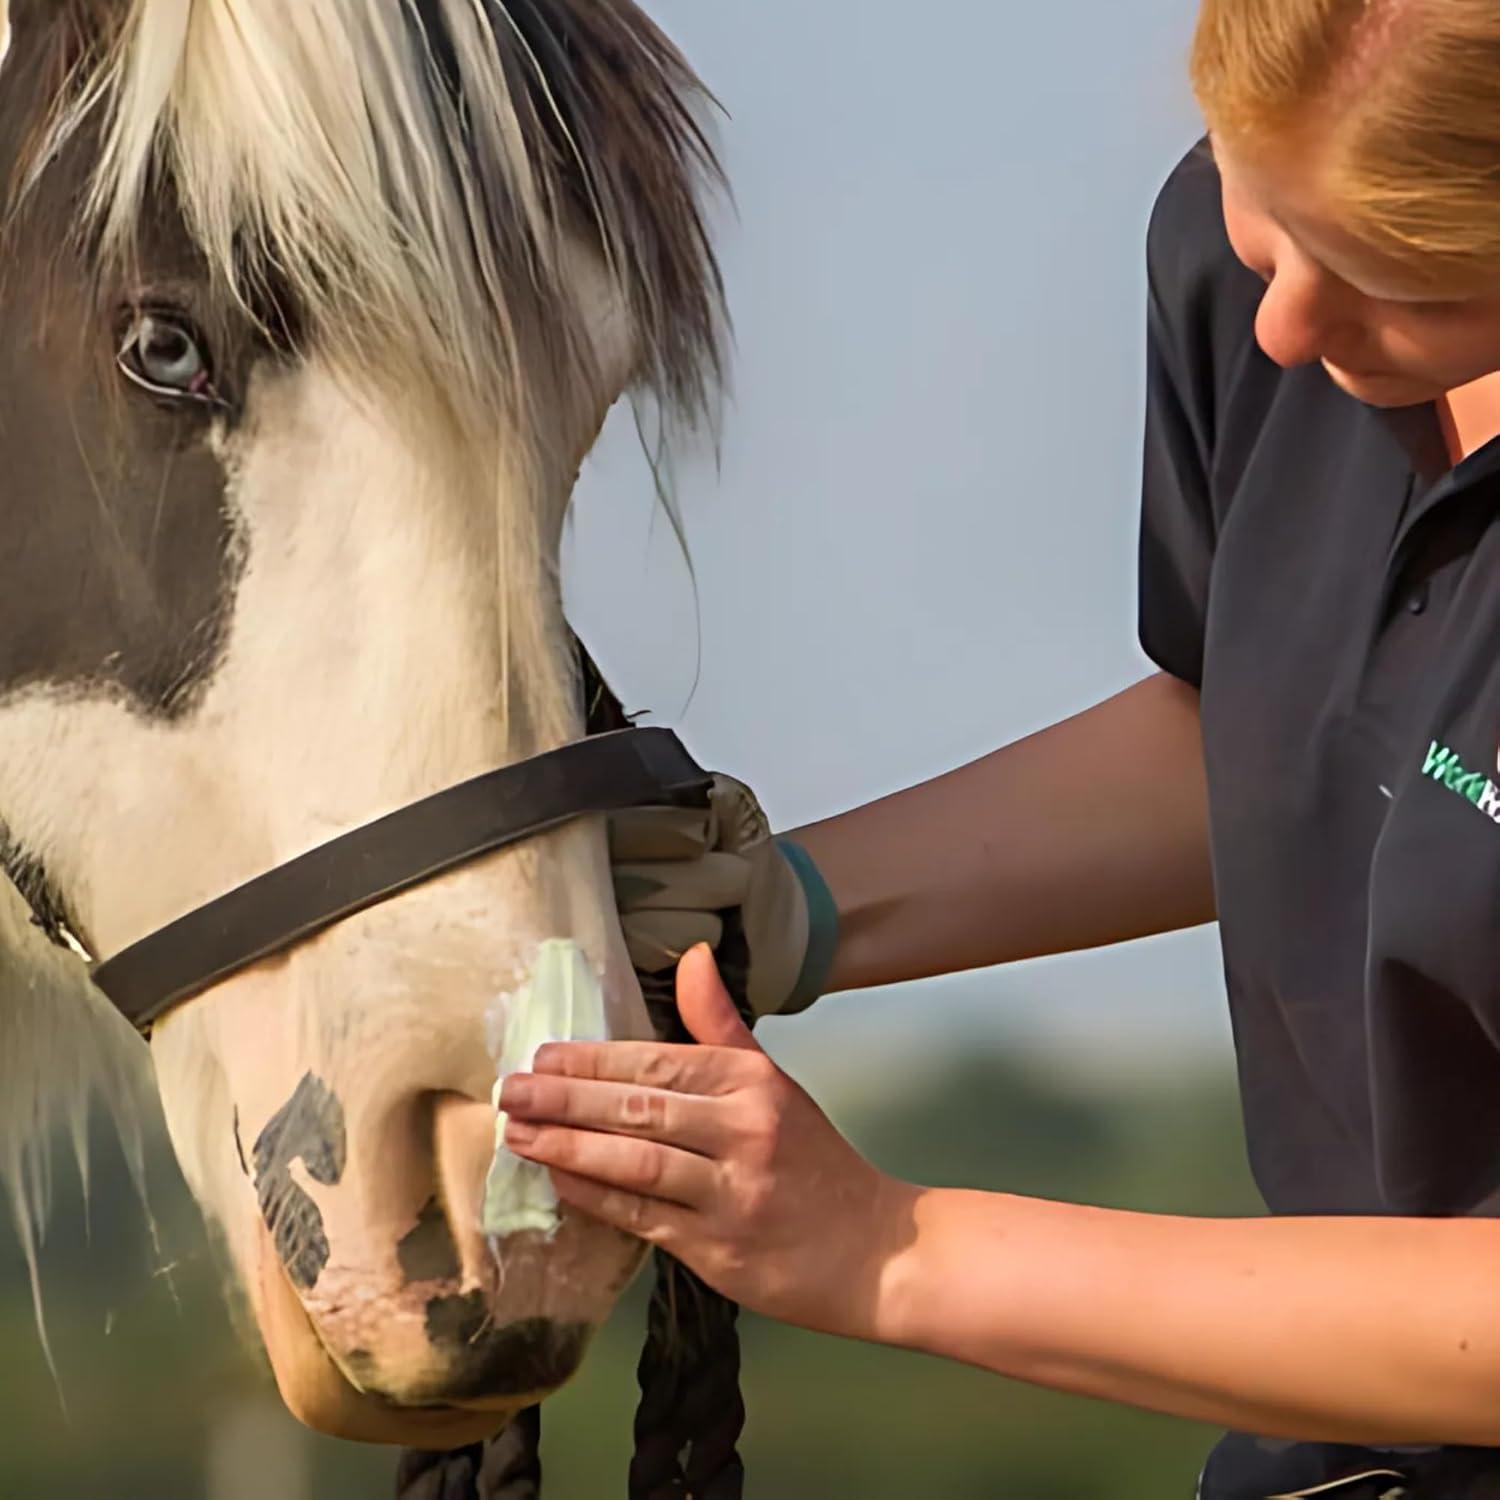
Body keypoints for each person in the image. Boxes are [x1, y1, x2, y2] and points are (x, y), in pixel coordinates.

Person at [501, 1, 1500, 1494]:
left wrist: (886, 1250)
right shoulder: (1251, 298)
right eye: (1257, 206)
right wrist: (788, 906)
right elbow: (1288, 732)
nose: (1284, 320)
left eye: (1381, 269)